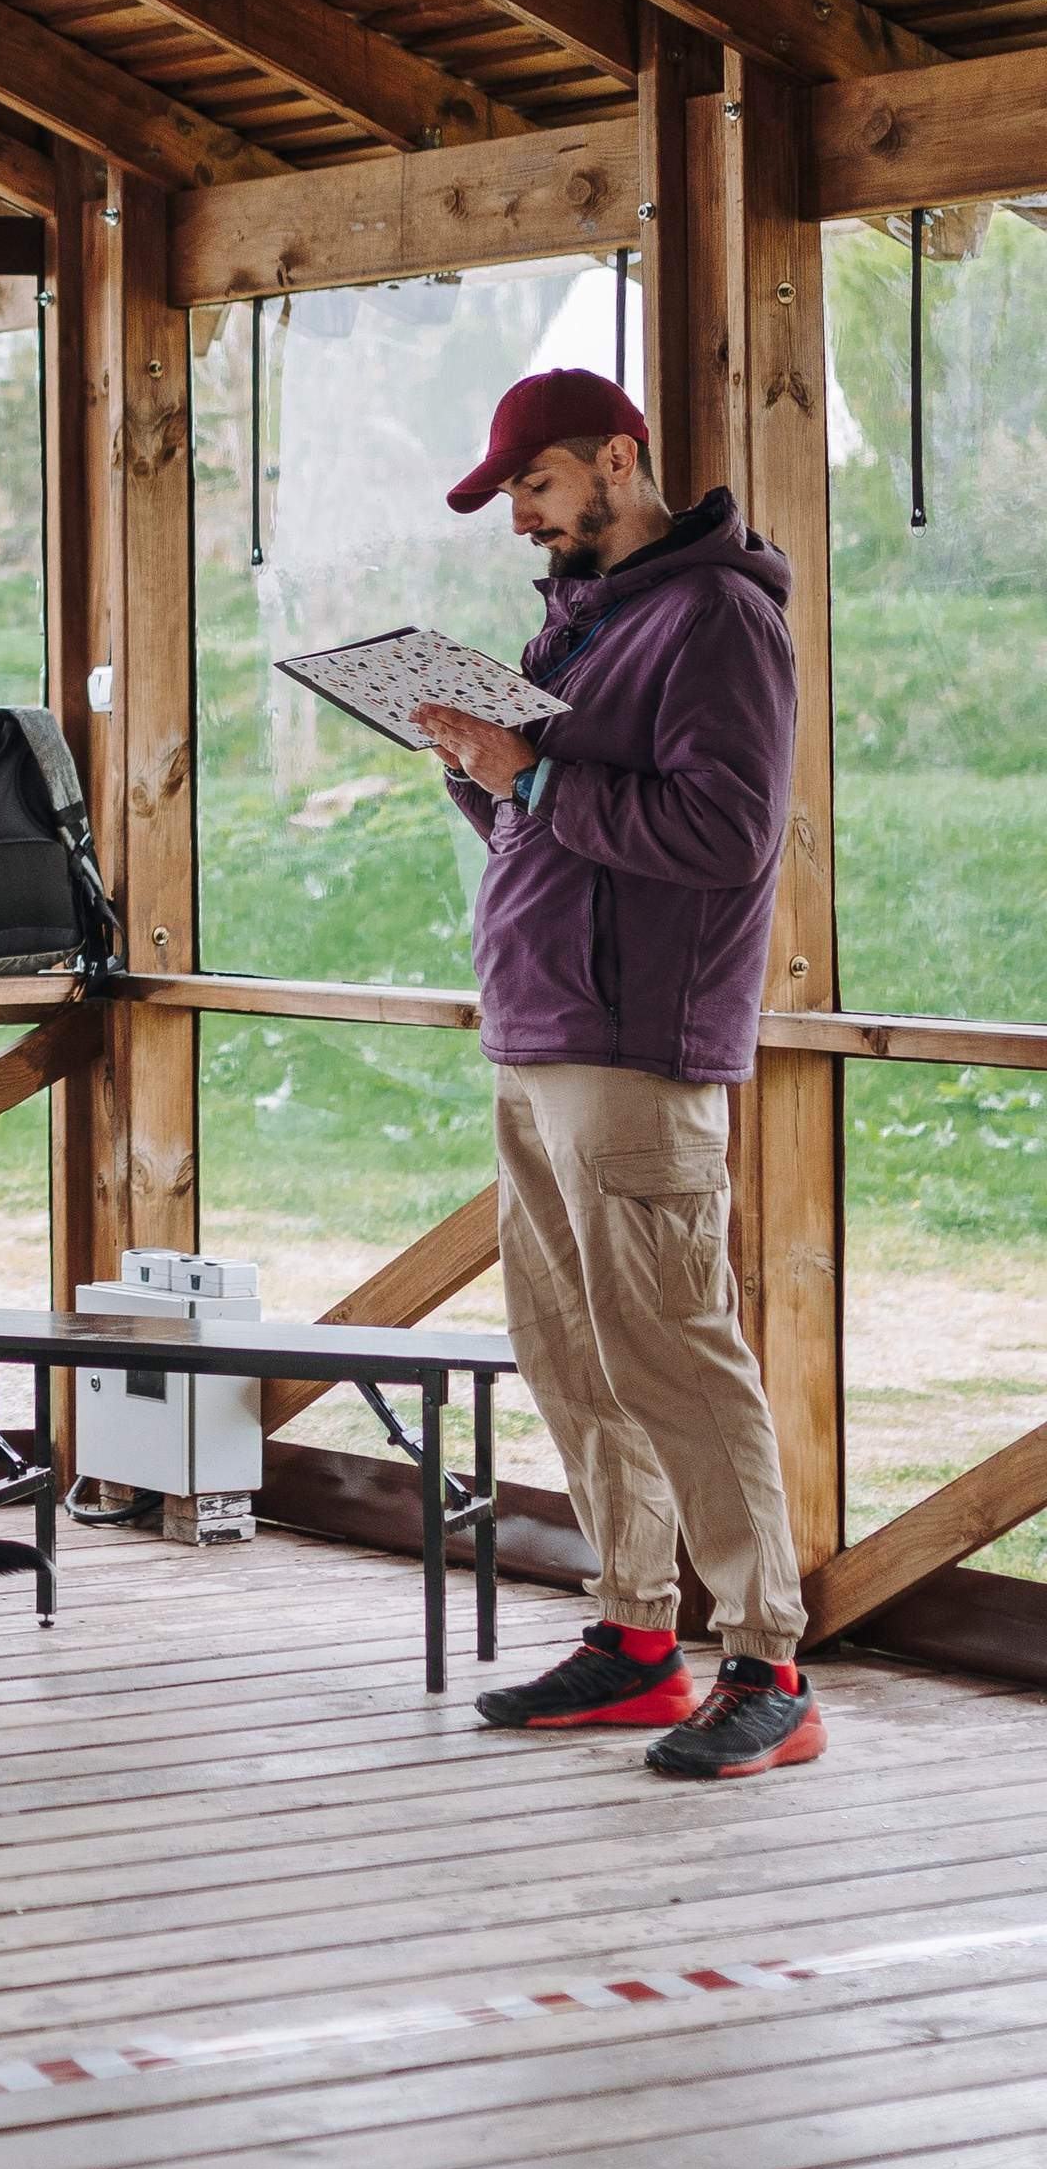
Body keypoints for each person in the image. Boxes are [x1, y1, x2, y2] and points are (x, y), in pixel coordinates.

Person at [413, 366, 825, 1779]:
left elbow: (725, 834)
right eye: (509, 497)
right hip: (538, 1031)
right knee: (571, 1351)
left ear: (617, 459)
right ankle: (639, 1638)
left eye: (533, 485)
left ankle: (769, 1663)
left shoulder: (716, 615)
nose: (521, 518)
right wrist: (483, 767)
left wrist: (532, 774)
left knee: (674, 1353)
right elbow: (550, 826)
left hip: (635, 1041)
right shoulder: (588, 620)